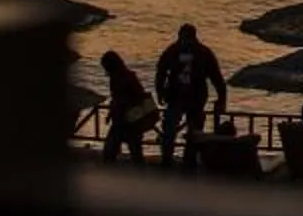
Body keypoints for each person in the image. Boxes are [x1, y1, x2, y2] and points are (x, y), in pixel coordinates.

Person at [152, 23, 229, 168]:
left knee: (178, 129)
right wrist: (221, 97)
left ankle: (175, 159)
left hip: (185, 97)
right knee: (187, 130)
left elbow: (161, 72)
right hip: (189, 97)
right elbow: (216, 78)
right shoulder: (202, 52)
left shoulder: (175, 51)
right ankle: (184, 160)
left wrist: (160, 92)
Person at [98, 50, 156, 165]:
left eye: (106, 67)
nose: (105, 70)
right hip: (125, 118)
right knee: (129, 150)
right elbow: (117, 98)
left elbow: (137, 98)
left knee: (124, 149)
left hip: (130, 118)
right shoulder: (118, 77)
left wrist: (125, 112)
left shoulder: (125, 78)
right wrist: (111, 113)